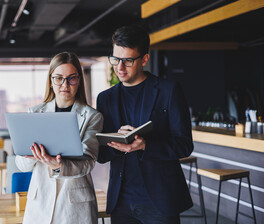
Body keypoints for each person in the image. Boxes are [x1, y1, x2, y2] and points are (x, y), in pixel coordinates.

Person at [97, 25, 193, 224]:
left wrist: (145, 145)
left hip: (159, 201)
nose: (119, 68)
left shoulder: (169, 91)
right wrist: (116, 142)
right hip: (121, 201)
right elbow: (102, 154)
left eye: (128, 61)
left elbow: (184, 145)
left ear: (145, 59)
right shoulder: (105, 98)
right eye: (115, 59)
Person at [15, 52, 103, 224]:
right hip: (40, 203)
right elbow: (21, 164)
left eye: (72, 78)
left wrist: (58, 165)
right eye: (59, 78)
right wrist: (32, 154)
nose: (65, 84)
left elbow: (88, 162)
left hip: (75, 206)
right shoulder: (35, 113)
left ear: (79, 80)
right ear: (50, 80)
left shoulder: (92, 117)